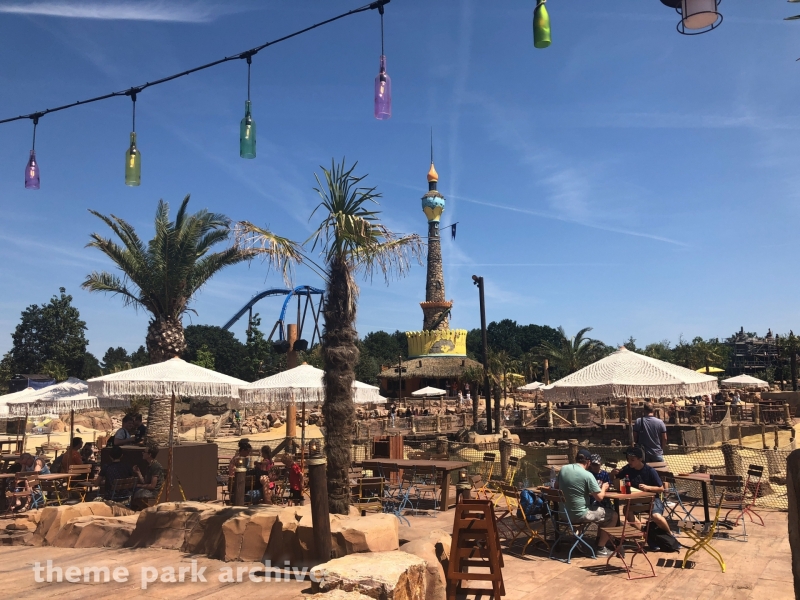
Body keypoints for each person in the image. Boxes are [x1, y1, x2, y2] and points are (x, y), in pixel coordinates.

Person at [556, 448, 617, 557]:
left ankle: (580, 539)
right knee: (613, 516)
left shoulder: (563, 469)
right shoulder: (587, 475)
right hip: (580, 514)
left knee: (598, 510)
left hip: (563, 514)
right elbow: (599, 498)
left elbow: (556, 486)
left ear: (576, 459)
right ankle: (601, 548)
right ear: (588, 462)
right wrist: (604, 487)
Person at [611, 447, 673, 547]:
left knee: (656, 516)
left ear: (640, 459)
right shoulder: (628, 469)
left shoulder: (650, 471)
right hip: (637, 500)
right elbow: (615, 480)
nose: (629, 461)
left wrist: (648, 487)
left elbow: (661, 488)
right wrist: (612, 475)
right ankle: (645, 534)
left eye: (632, 459)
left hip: (653, 499)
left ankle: (670, 535)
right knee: (627, 510)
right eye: (628, 459)